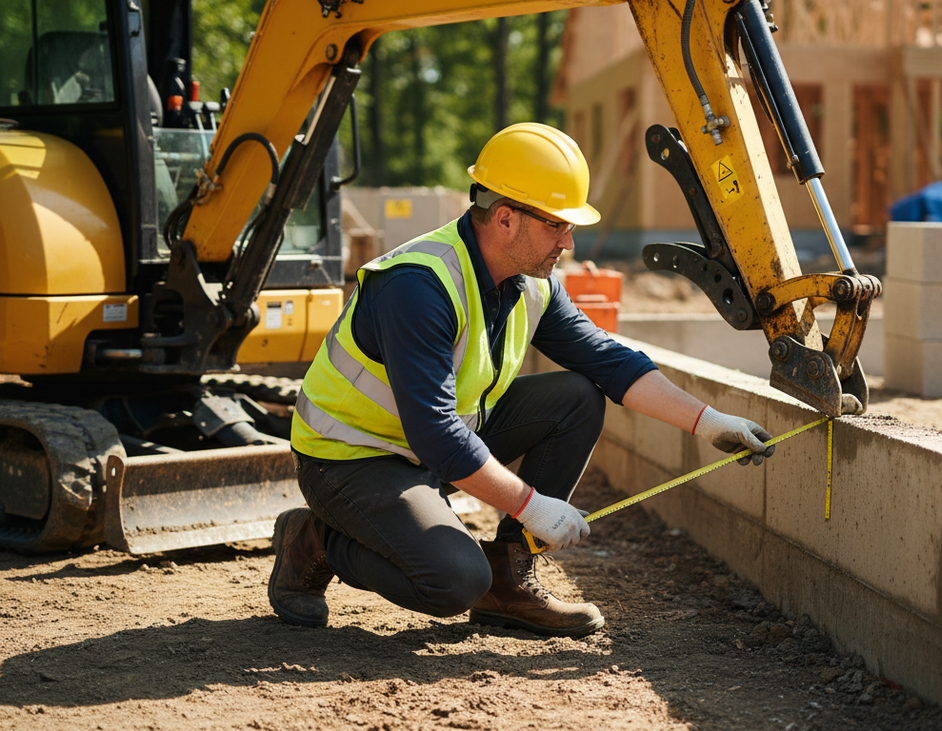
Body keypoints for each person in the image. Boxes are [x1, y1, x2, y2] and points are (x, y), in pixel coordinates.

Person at [270, 122, 774, 637]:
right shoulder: (418, 286)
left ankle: (508, 583)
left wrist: (708, 422)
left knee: (576, 397)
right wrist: (532, 507)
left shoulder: (530, 283)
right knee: (454, 581)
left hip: (429, 446)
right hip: (352, 459)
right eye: (557, 225)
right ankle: (313, 539)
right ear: (506, 218)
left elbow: (606, 359)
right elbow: (437, 433)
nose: (569, 242)